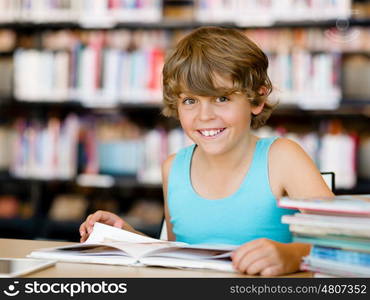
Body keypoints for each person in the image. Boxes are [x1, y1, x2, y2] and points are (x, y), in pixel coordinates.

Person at [79, 26, 334, 276]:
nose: (205, 116)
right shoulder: (174, 167)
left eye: (221, 98)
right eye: (190, 101)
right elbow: (178, 253)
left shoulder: (282, 158)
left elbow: (345, 243)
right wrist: (125, 236)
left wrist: (291, 256)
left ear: (257, 99)